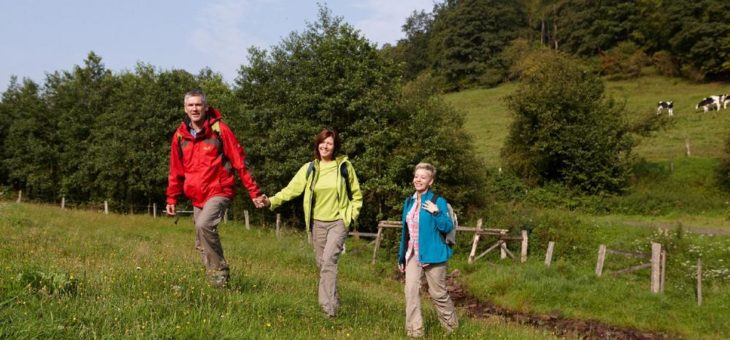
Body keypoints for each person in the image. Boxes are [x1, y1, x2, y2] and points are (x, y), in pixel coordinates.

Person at [166, 89, 266, 288]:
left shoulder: (220, 129)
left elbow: (239, 162)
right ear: (185, 109)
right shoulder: (180, 136)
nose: (195, 108)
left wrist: (254, 191)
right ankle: (214, 282)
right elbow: (175, 170)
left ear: (205, 106)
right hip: (196, 194)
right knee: (200, 242)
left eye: (198, 104)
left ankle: (220, 271)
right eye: (190, 105)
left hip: (219, 189)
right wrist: (172, 199)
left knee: (204, 225)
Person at [260, 128, 363, 317]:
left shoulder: (345, 167)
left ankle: (328, 311)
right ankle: (334, 302)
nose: (325, 146)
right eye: (323, 142)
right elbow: (291, 190)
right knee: (322, 265)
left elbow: (357, 196)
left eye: (330, 143)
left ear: (335, 147)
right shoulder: (310, 168)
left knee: (329, 262)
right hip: (317, 224)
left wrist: (350, 216)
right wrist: (270, 201)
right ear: (318, 144)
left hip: (338, 222)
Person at [397, 162, 458, 337]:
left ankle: (451, 329)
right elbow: (405, 233)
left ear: (430, 181)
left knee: (438, 294)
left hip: (434, 255)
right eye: (416, 176)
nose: (418, 180)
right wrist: (402, 257)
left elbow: (447, 227)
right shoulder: (408, 202)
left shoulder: (437, 201)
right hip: (413, 254)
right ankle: (415, 332)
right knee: (411, 292)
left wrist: (437, 212)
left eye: (423, 177)